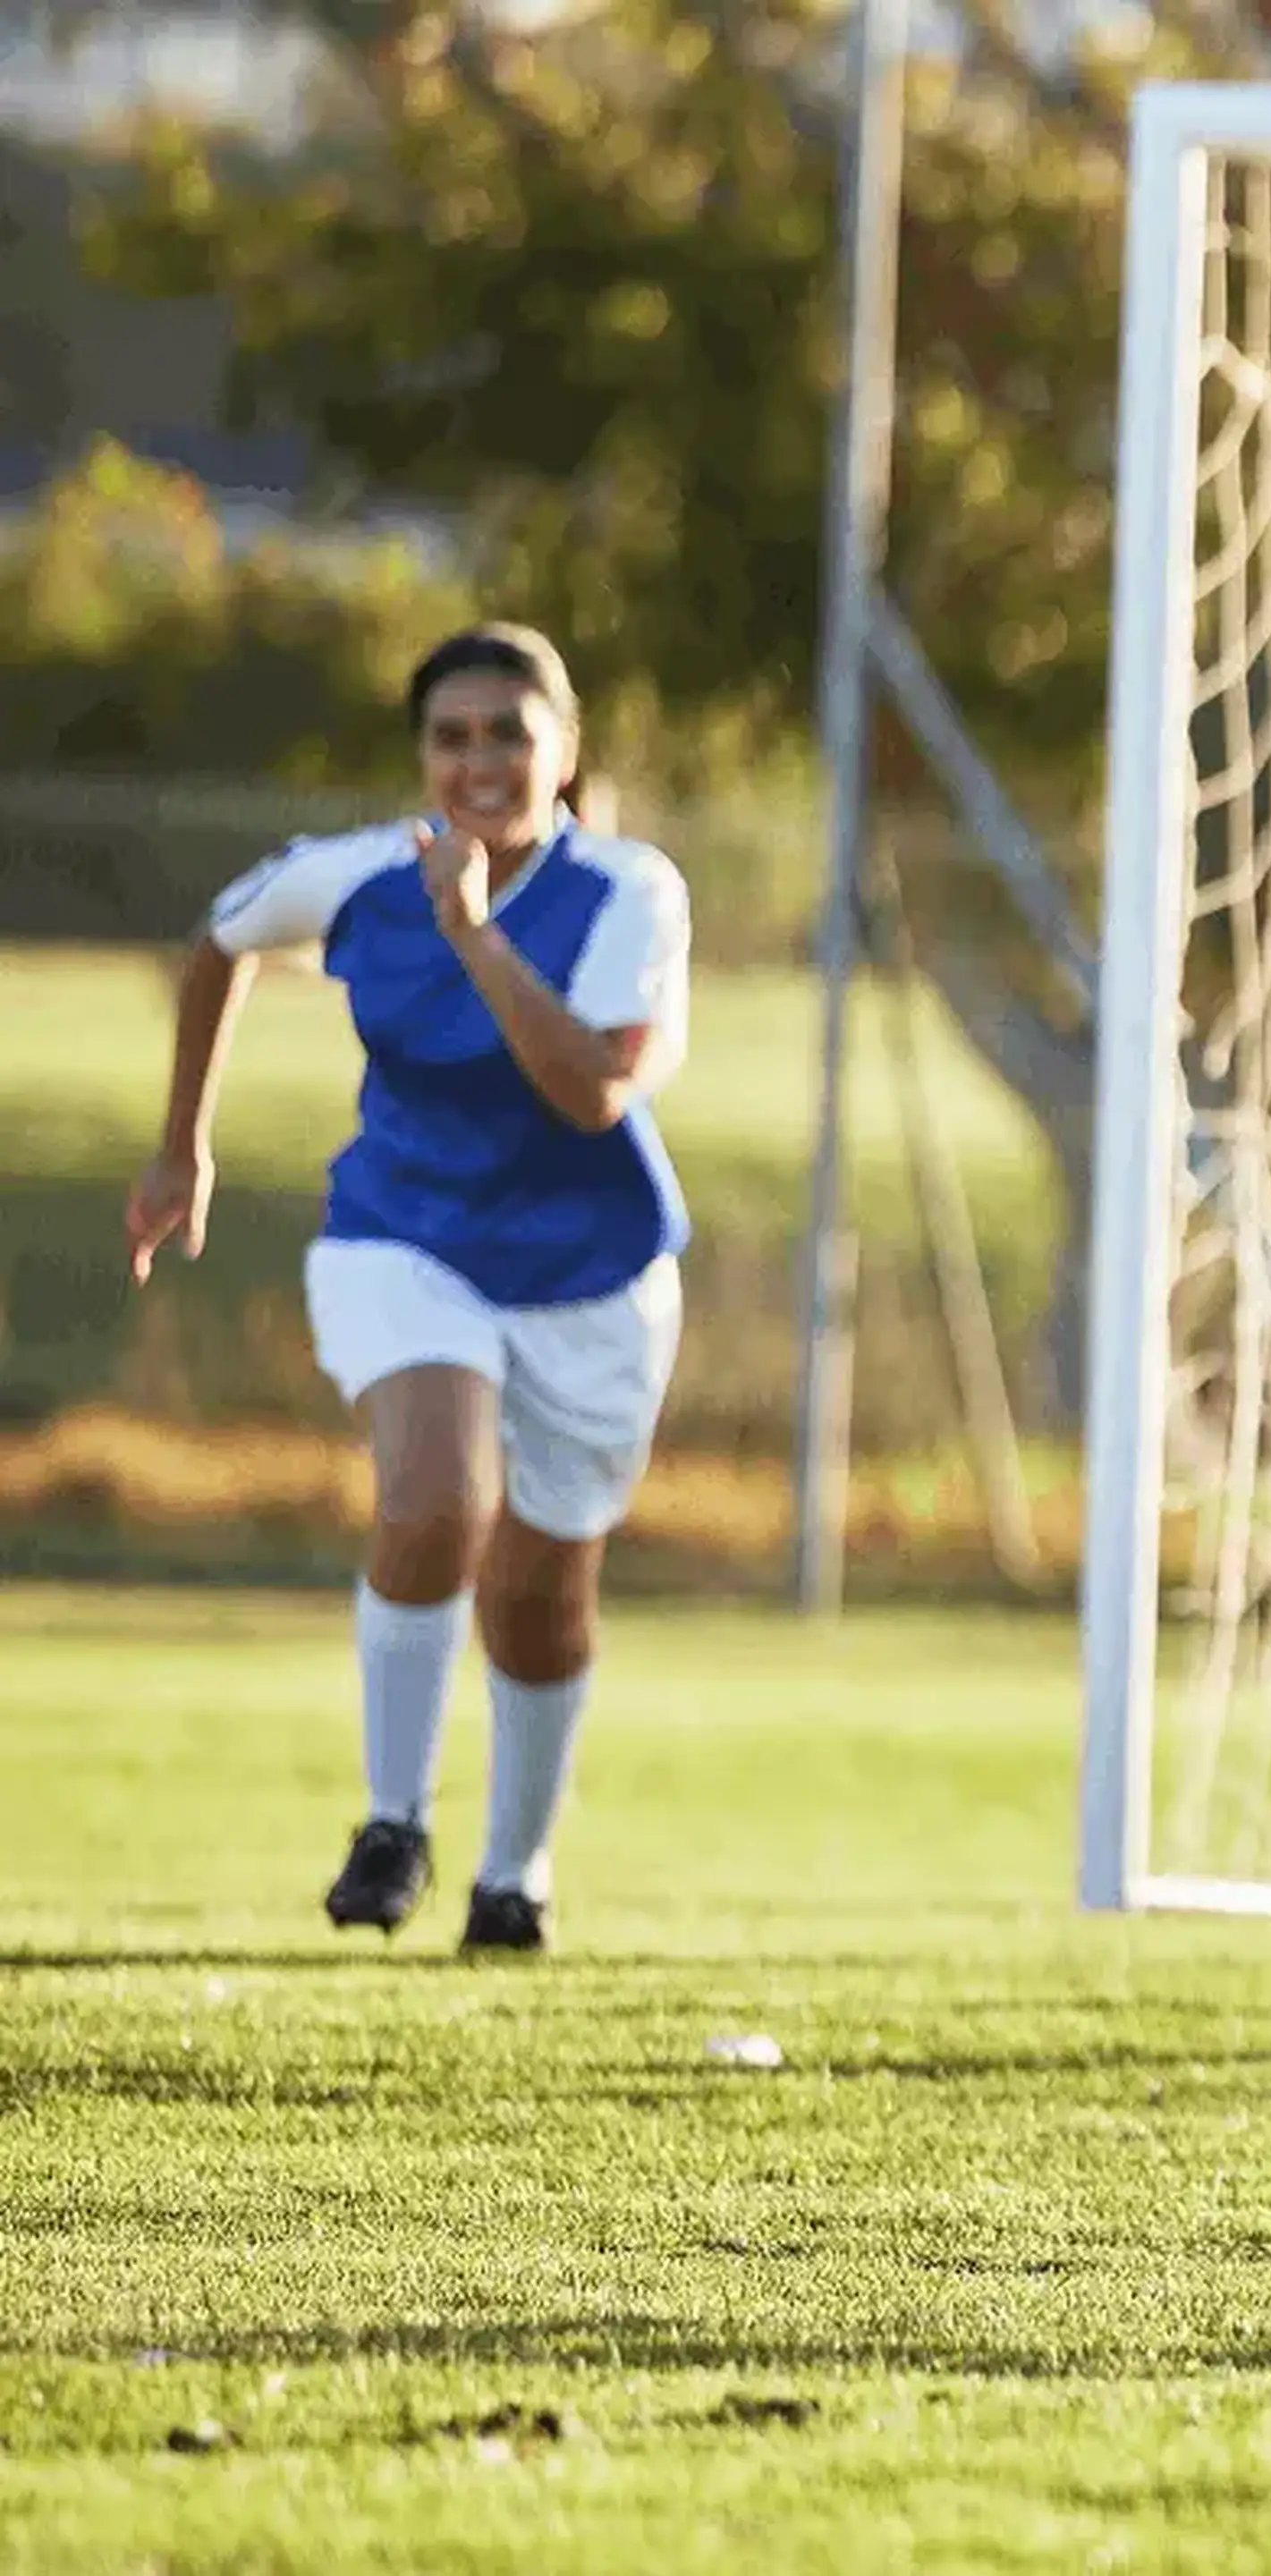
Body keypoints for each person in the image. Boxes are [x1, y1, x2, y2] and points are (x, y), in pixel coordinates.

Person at [125, 623, 691, 1955]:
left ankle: (514, 1877)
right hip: (403, 1237)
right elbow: (217, 946)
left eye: (510, 732)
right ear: (422, 756)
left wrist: (476, 934)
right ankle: (393, 1822)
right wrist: (178, 1145)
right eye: (453, 736)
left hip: (590, 1275)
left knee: (544, 1596)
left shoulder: (630, 893)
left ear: (566, 753)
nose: (481, 759)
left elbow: (591, 1091)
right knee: (437, 1492)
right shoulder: (358, 875)